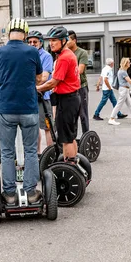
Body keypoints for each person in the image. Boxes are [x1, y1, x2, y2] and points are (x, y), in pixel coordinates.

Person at [0, 18, 43, 205]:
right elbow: (39, 78)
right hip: (29, 108)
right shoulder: (33, 51)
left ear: (8, 32)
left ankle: (9, 194)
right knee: (31, 151)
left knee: (8, 152)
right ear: (25, 33)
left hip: (7, 108)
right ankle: (31, 192)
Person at [36, 26, 81, 164]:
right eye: (50, 40)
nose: (51, 43)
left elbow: (52, 83)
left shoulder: (64, 58)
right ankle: (73, 163)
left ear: (63, 41)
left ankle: (69, 166)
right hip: (72, 98)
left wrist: (36, 88)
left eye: (55, 40)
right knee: (70, 136)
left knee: (65, 138)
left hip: (67, 100)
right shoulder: (68, 55)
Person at [26, 30, 53, 153]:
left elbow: (44, 78)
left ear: (40, 43)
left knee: (47, 127)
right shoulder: (26, 55)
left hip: (43, 96)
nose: (32, 44)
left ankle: (50, 154)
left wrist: (28, 83)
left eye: (35, 42)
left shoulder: (46, 56)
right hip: (30, 97)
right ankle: (37, 154)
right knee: (34, 128)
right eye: (30, 41)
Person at [108, 58, 131, 125]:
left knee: (130, 105)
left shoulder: (122, 71)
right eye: (129, 62)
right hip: (124, 90)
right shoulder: (123, 72)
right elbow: (130, 81)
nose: (130, 63)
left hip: (125, 90)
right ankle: (111, 118)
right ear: (125, 63)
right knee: (119, 105)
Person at [67, 30, 90, 133]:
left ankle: (86, 137)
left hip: (81, 87)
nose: (66, 42)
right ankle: (73, 138)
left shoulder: (82, 53)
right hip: (69, 88)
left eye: (68, 40)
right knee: (72, 115)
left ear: (74, 40)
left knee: (83, 114)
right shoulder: (65, 53)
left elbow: (80, 70)